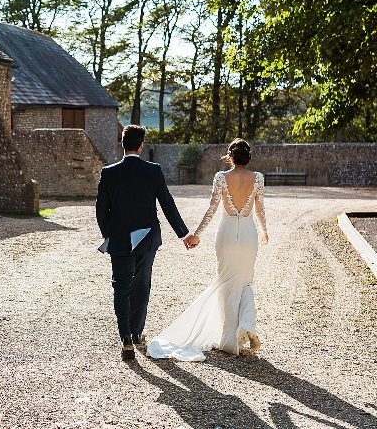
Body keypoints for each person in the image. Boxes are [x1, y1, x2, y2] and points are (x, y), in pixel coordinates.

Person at [147, 138, 269, 361]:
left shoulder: (221, 178)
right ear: (248, 156)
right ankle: (247, 326)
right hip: (249, 234)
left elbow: (212, 209)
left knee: (225, 284)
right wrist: (263, 232)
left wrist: (196, 234)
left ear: (230, 156)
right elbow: (259, 210)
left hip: (226, 233)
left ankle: (229, 339)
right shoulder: (258, 178)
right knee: (245, 281)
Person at [96, 125, 194, 360]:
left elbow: (101, 210)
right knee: (142, 282)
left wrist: (108, 234)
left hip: (119, 238)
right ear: (141, 146)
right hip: (147, 238)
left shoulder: (108, 172)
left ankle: (126, 339)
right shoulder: (153, 170)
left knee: (120, 286)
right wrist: (184, 234)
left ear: (123, 144)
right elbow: (167, 205)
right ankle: (137, 331)